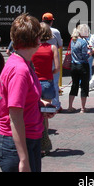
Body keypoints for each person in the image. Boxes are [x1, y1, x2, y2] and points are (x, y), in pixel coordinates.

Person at [0, 14, 56, 172]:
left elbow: (20, 101)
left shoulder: (24, 63)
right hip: (15, 143)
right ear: (36, 39)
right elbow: (15, 115)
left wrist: (40, 105)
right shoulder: (20, 70)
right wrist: (23, 159)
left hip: (28, 138)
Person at [31, 22, 60, 154]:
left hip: (34, 83)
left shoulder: (32, 47)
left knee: (34, 113)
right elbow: (57, 68)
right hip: (47, 83)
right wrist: (49, 73)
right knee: (45, 114)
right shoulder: (53, 48)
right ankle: (44, 141)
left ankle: (36, 141)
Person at [42, 12, 63, 111]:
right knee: (54, 83)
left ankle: (41, 106)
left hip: (40, 60)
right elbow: (60, 45)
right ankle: (54, 106)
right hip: (52, 61)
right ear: (51, 22)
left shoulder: (36, 30)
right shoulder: (55, 32)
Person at [68, 24, 91, 113]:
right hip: (83, 66)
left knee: (74, 85)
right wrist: (91, 52)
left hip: (74, 65)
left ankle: (70, 106)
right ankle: (82, 108)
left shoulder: (73, 40)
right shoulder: (83, 42)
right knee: (84, 86)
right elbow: (85, 56)